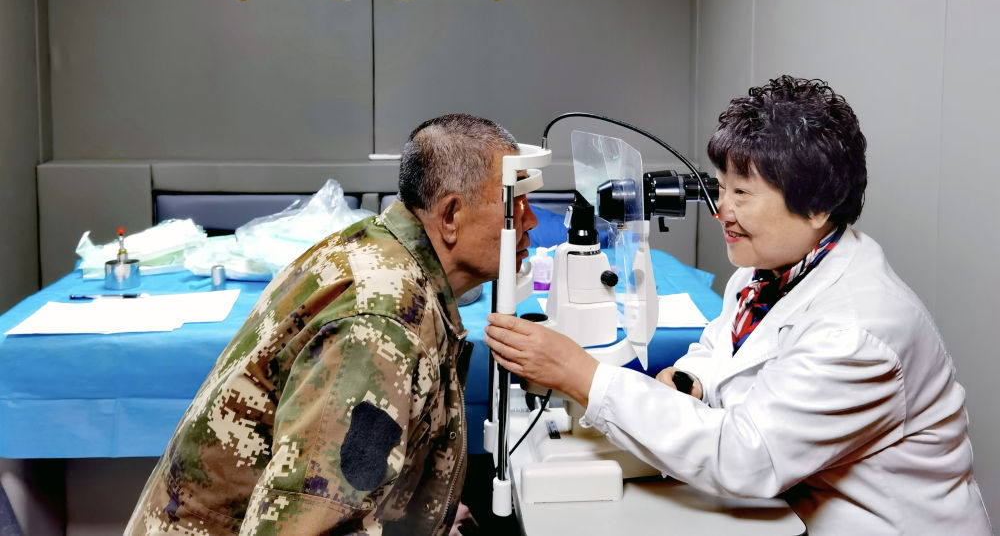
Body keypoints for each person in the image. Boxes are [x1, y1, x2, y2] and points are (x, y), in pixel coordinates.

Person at [485, 77, 992, 535]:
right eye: (721, 187)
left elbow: (747, 457)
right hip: (792, 507)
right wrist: (693, 380)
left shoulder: (857, 334)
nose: (720, 210)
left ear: (818, 206)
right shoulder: (768, 267)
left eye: (742, 193)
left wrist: (581, 374)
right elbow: (720, 348)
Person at [127, 113, 538, 535]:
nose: (530, 222)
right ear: (450, 215)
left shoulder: (382, 252)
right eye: (515, 204)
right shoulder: (379, 323)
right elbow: (304, 527)